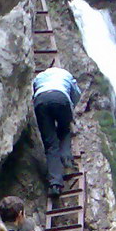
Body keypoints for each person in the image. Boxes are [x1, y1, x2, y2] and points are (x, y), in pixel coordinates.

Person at [32, 66, 81, 197]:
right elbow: (76, 93)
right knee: (65, 131)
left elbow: (31, 94)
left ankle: (55, 184)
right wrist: (71, 108)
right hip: (61, 97)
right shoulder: (65, 74)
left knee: (50, 143)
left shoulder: (39, 77)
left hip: (41, 100)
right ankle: (67, 163)